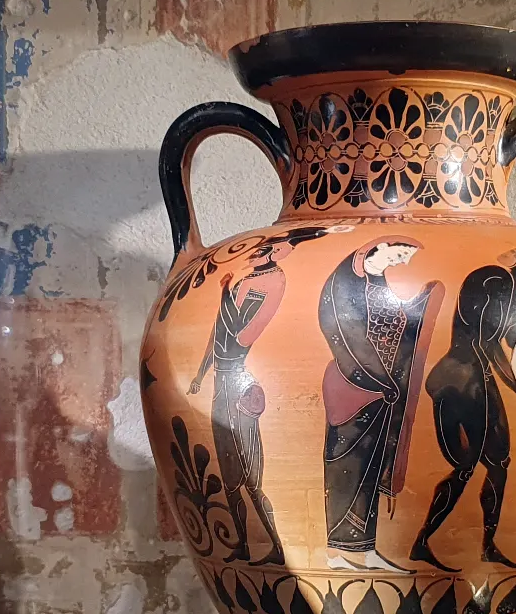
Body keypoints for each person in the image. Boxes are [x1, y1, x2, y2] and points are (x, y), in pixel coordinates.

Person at [187, 230, 327, 564]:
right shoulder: (243, 280)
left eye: (285, 248)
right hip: (222, 385)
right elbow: (217, 334)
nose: (283, 252)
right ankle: (244, 546)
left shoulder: (274, 282)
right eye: (282, 246)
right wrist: (199, 375)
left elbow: (241, 336)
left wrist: (225, 295)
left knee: (251, 477)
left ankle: (277, 550)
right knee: (230, 480)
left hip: (241, 387)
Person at [410, 252, 516, 570]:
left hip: (479, 378)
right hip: (459, 379)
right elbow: (482, 342)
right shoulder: (491, 278)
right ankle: (422, 542)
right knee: (466, 467)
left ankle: (487, 546)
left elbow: (508, 342)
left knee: (498, 464)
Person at [319, 238, 439, 570]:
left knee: (371, 467)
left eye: (406, 257)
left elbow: (393, 330)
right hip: (353, 389)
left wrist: (420, 307)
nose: (402, 262)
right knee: (348, 467)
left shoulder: (377, 282)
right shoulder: (344, 284)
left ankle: (366, 549)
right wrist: (379, 380)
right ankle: (338, 552)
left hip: (382, 393)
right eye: (399, 254)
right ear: (378, 246)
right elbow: (345, 335)